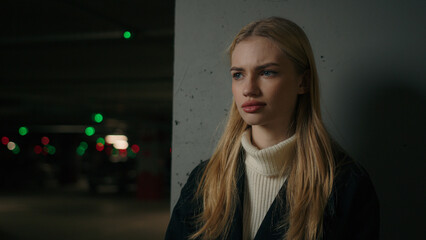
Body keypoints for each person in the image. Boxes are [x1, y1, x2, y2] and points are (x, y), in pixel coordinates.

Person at [165, 17, 379, 240]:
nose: (248, 89)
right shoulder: (204, 181)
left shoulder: (346, 185)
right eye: (238, 75)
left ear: (303, 82)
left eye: (267, 72)